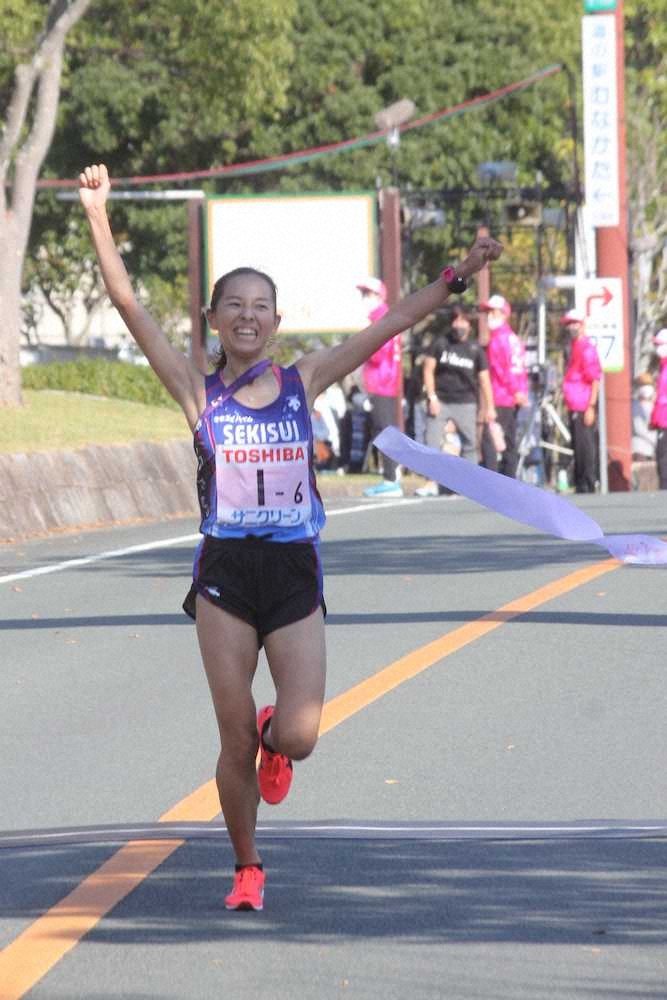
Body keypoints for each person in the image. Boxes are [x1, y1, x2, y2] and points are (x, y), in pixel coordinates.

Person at [79, 163, 503, 912]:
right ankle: (247, 866)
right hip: (224, 574)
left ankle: (279, 742)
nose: (247, 316)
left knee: (297, 734)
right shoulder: (195, 389)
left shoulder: (305, 380)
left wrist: (456, 276)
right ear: (213, 320)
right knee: (232, 732)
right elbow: (125, 303)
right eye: (233, 306)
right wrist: (98, 214)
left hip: (293, 571)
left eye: (260, 307)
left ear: (276, 322)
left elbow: (388, 325)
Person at [416, 304, 496, 497]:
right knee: (432, 441)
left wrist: (490, 407)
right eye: (455, 320)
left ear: (469, 325)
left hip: (466, 402)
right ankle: (430, 482)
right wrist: (432, 397)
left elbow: (484, 380)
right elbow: (428, 369)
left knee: (470, 444)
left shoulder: (475, 349)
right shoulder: (440, 343)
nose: (458, 325)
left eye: (462, 321)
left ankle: (469, 484)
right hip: (441, 401)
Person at [356, 277, 404, 498]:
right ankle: (392, 475)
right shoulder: (384, 318)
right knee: (383, 429)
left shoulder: (381, 319)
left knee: (384, 430)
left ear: (378, 296)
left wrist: (363, 342)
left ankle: (391, 478)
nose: (364, 299)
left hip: (381, 382)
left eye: (368, 295)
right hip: (385, 382)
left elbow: (377, 353)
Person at [481, 294, 528, 477]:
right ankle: (509, 480)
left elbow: (503, 370)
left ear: (504, 313)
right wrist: (521, 391)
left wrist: (515, 390)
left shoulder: (498, 340)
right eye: (488, 312)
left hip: (501, 395)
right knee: (508, 439)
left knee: (490, 439)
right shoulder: (513, 338)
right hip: (512, 395)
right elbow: (520, 369)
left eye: (493, 311)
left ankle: (496, 482)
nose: (489, 315)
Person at [560, 307, 602, 493]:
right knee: (578, 445)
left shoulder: (586, 349)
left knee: (585, 445)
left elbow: (594, 379)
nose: (571, 327)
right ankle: (580, 481)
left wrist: (591, 406)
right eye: (569, 324)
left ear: (582, 325)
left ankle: (588, 481)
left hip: (584, 404)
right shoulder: (573, 348)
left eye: (574, 323)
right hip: (574, 403)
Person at [649, 327, 667, 489]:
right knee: (661, 457)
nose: (657, 349)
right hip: (662, 419)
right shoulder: (663, 367)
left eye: (660, 345)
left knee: (663, 457)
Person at [631, 373, 657, 462]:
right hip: (640, 450)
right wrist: (656, 440)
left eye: (649, 385)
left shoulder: (656, 405)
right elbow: (639, 428)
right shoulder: (635, 405)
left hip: (654, 451)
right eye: (643, 385)